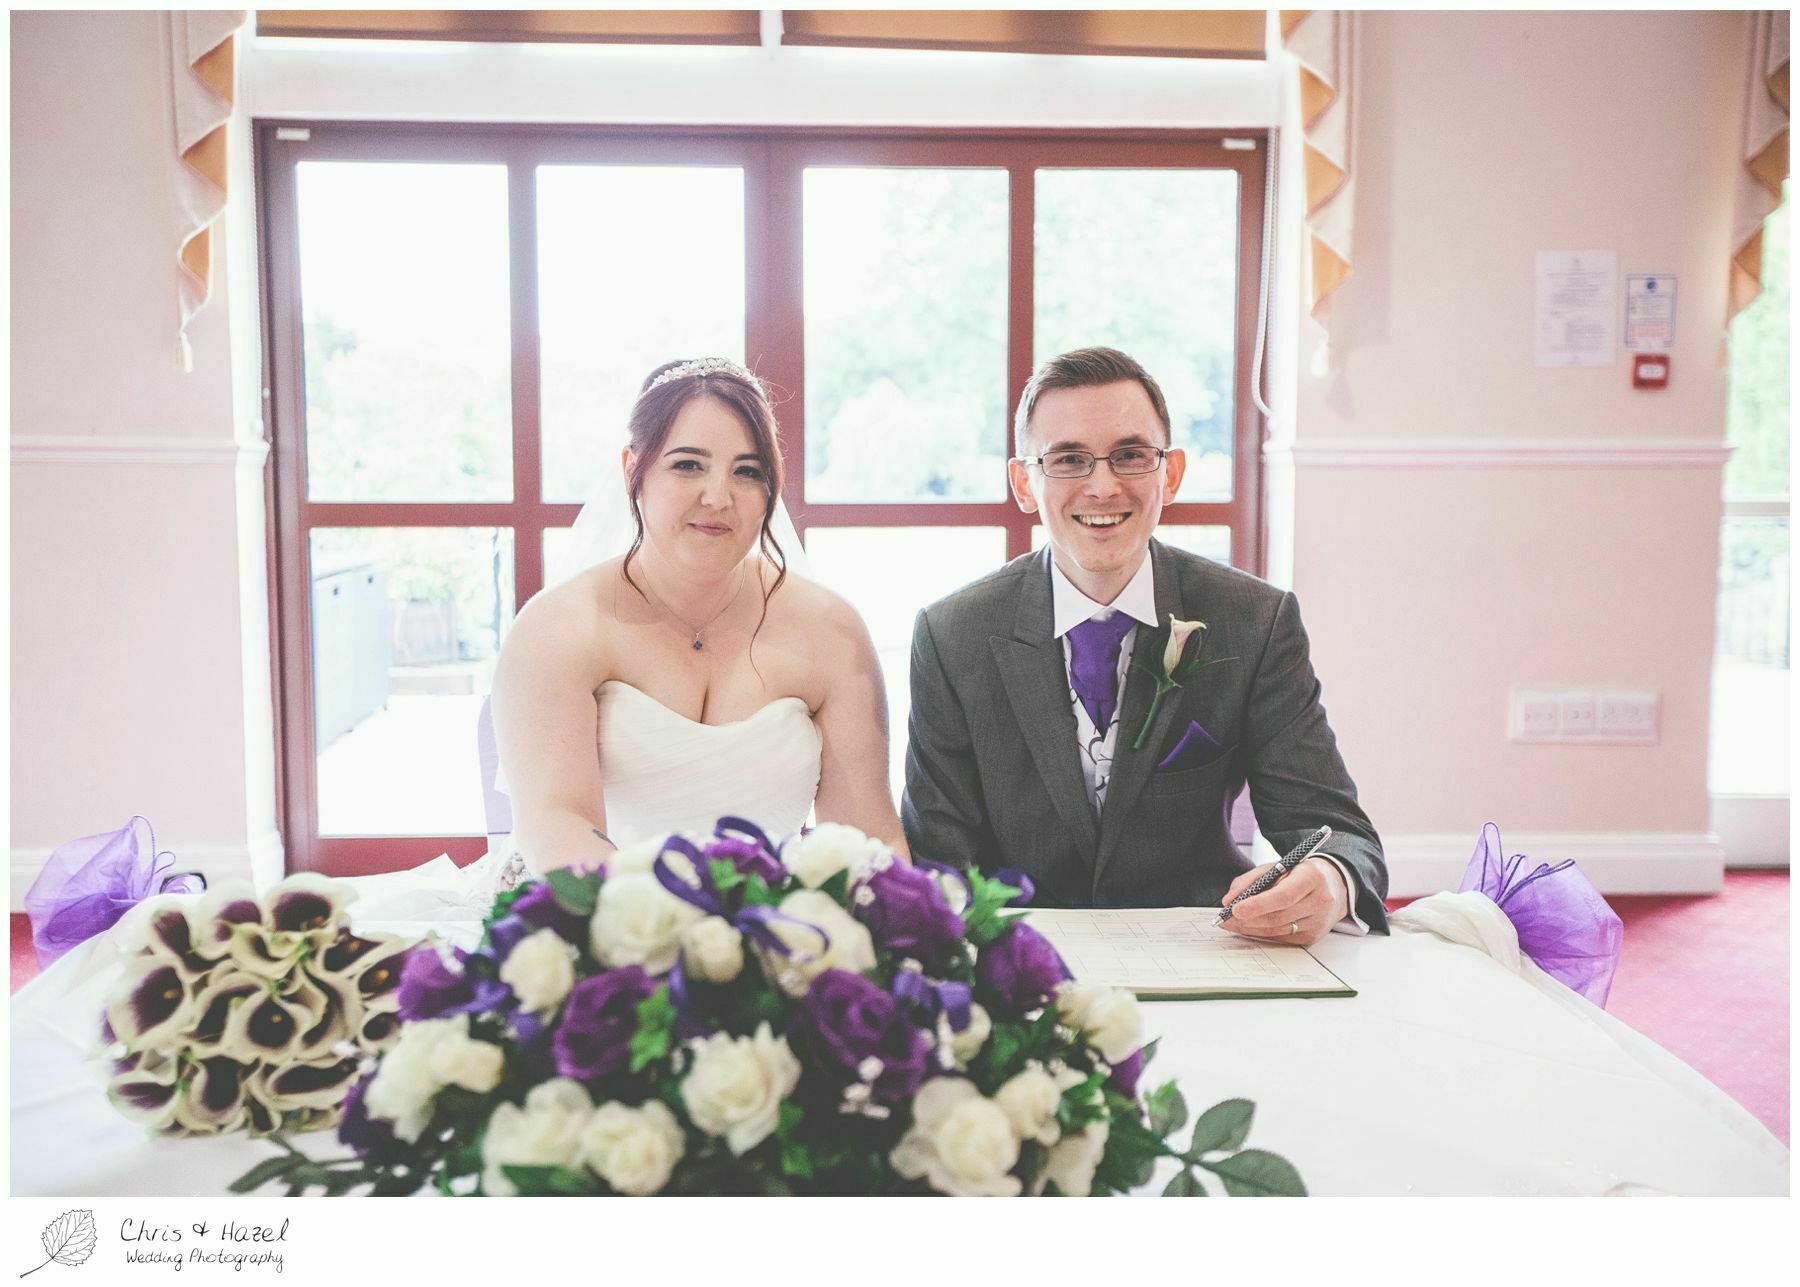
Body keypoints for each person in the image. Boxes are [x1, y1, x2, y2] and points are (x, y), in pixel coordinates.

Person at [902, 347, 1387, 943]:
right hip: (1024, 964)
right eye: (1069, 459)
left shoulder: (1256, 620)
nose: (1102, 486)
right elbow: (938, 863)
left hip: (1208, 950)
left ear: (1171, 473)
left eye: (1130, 456)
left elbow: (1338, 833)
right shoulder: (952, 636)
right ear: (1025, 483)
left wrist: (1328, 879)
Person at [491, 357, 904, 875]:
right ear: (632, 471)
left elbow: (869, 836)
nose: (718, 497)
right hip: (599, 919)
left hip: (776, 931)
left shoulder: (831, 631)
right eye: (688, 465)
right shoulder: (559, 627)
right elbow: (559, 824)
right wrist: (664, 931)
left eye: (747, 473)